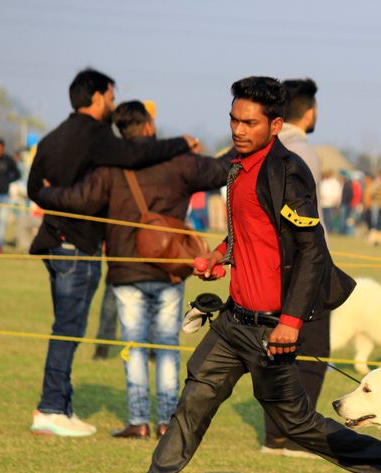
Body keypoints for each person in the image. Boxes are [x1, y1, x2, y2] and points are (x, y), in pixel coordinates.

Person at [78, 76, 381, 473]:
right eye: (233, 119)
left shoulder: (289, 172)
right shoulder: (238, 167)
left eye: (249, 122)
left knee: (299, 426)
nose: (237, 129)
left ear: (275, 125)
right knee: (191, 408)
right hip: (233, 322)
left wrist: (290, 323)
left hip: (272, 329)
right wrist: (221, 255)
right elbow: (252, 230)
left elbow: (311, 250)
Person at [37, 101, 234, 440]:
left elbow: (77, 199)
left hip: (125, 270)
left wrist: (44, 191)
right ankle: (167, 422)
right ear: (148, 127)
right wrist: (245, 141)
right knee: (167, 346)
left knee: (135, 346)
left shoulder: (110, 169)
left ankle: (138, 420)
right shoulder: (179, 162)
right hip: (169, 268)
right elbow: (220, 170)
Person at [259, 77, 326, 459]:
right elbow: (308, 223)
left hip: (269, 265)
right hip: (303, 264)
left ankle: (275, 436)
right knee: (313, 350)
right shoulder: (302, 152)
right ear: (310, 112)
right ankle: (300, 437)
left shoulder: (265, 150)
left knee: (276, 350)